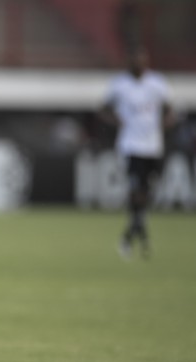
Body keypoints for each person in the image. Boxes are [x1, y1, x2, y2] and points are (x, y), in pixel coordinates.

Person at [99, 46, 174, 259]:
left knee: (146, 194)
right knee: (136, 192)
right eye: (136, 61)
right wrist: (117, 121)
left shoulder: (157, 84)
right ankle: (137, 237)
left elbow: (170, 111)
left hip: (153, 146)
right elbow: (103, 109)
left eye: (142, 61)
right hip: (131, 145)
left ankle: (133, 234)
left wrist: (163, 124)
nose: (139, 65)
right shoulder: (120, 85)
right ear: (129, 62)